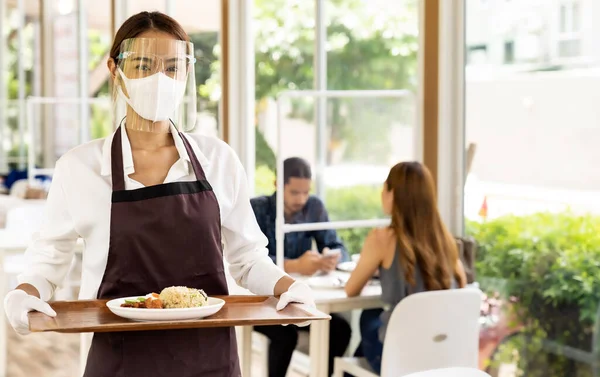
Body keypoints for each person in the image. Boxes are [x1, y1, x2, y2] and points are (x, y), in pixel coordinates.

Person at [3, 11, 313, 377]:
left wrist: (287, 285)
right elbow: (49, 257)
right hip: (120, 359)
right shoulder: (79, 167)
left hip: (209, 358)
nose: (159, 79)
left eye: (172, 67)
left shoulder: (219, 160)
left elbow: (246, 257)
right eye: (143, 64)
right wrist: (24, 291)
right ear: (115, 71)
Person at [345, 161, 467, 374]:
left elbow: (351, 289)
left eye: (384, 189)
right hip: (443, 355)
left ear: (392, 194)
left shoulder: (381, 238)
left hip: (401, 357)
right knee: (365, 343)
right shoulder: (445, 241)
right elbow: (462, 289)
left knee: (370, 315)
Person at [250, 157, 351, 377]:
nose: (301, 199)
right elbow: (249, 261)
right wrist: (295, 265)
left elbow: (338, 247)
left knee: (340, 329)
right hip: (263, 301)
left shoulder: (314, 207)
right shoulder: (256, 208)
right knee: (286, 335)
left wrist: (331, 257)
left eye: (306, 192)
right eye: (295, 192)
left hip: (300, 299)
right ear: (278, 184)